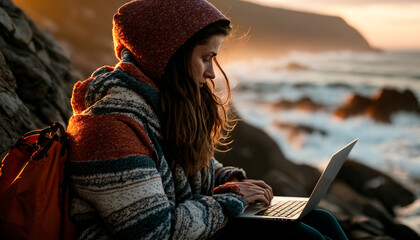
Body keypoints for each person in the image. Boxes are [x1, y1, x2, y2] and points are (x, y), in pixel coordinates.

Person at [66, 0, 347, 239]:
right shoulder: (109, 129)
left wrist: (232, 181)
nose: (212, 73)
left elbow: (196, 170)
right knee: (302, 236)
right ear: (168, 58)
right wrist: (234, 198)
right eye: (206, 57)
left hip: (189, 225)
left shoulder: (161, 108)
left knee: (321, 220)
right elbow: (154, 231)